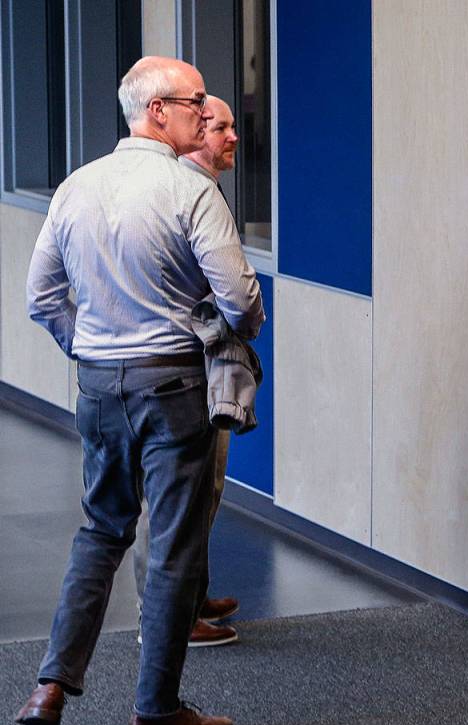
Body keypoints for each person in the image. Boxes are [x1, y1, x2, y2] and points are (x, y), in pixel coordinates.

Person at [14, 57, 264, 725]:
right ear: (158, 111)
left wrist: (93, 348)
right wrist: (223, 328)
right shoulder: (189, 190)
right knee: (175, 547)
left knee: (100, 532)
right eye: (192, 103)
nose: (202, 113)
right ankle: (156, 711)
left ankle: (51, 684)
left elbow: (42, 298)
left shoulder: (75, 187)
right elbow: (241, 301)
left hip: (97, 384)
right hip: (174, 385)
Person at [132, 95, 242, 648]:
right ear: (194, 132)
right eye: (218, 126)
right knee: (173, 497)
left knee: (205, 488)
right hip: (186, 365)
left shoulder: (203, 190)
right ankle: (167, 616)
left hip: (201, 361)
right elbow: (234, 294)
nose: (230, 136)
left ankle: (190, 594)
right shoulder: (189, 194)